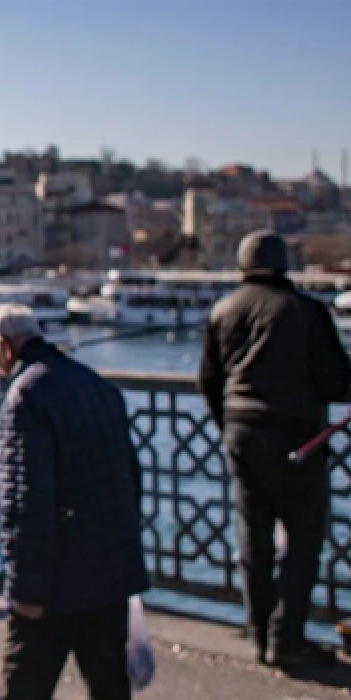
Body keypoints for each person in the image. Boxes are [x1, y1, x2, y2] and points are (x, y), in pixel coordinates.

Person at [199, 229, 351, 668]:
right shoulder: (306, 312)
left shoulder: (223, 310)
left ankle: (261, 632)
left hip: (241, 433)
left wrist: (227, 423)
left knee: (254, 536)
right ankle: (286, 637)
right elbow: (336, 380)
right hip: (297, 436)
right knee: (304, 538)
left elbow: (209, 381)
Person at [0, 304, 149, 700]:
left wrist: (24, 589)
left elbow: (25, 500)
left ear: (5, 347)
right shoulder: (99, 386)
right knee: (110, 686)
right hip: (110, 575)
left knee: (25, 687)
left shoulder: (25, 396)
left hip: (55, 583)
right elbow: (131, 480)